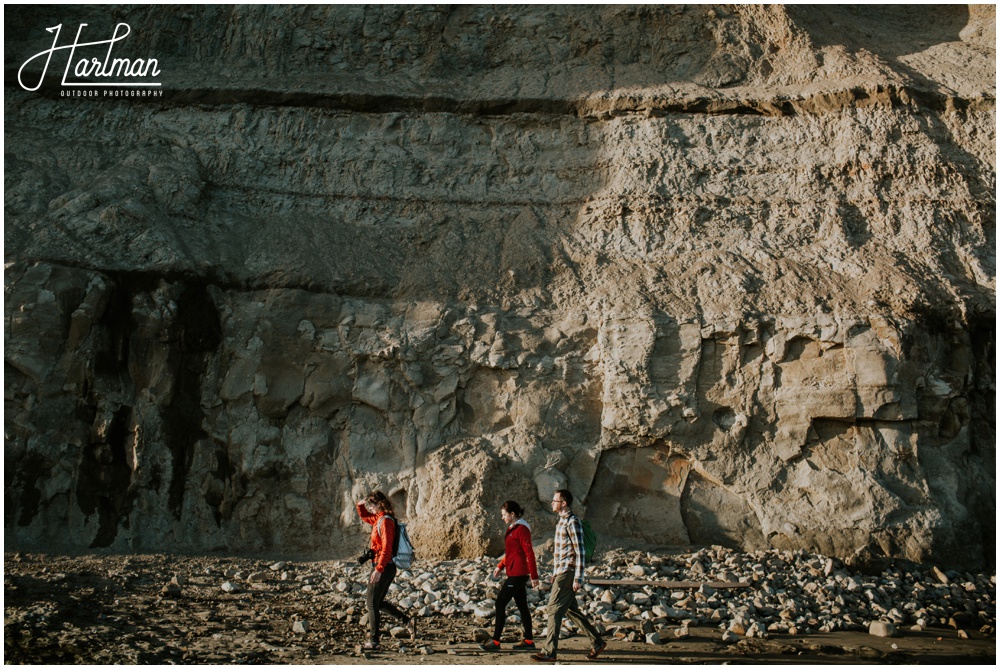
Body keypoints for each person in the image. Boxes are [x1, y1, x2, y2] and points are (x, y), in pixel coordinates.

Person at [531, 489, 607, 662]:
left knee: (553, 609)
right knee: (571, 610)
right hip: (561, 572)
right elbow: (561, 552)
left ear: (563, 503)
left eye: (555, 500)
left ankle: (549, 651)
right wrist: (554, 573)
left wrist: (578, 578)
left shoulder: (572, 522)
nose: (552, 503)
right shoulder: (561, 522)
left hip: (569, 572)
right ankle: (597, 642)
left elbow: (579, 551)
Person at [356, 491, 416, 650]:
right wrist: (361, 505)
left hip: (384, 566)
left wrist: (379, 569)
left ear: (380, 503)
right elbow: (364, 516)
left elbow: (387, 548)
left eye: (372, 504)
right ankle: (407, 621)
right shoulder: (378, 519)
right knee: (378, 602)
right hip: (382, 566)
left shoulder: (386, 522)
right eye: (369, 505)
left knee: (371, 603)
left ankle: (374, 641)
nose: (370, 508)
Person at [480, 500, 541, 652]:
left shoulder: (522, 529)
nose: (502, 517)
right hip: (514, 572)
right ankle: (528, 641)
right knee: (522, 606)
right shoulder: (514, 528)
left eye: (504, 515)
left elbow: (529, 553)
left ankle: (495, 642)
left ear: (512, 514)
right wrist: (500, 566)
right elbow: (512, 553)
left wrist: (534, 576)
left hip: (519, 574)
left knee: (500, 603)